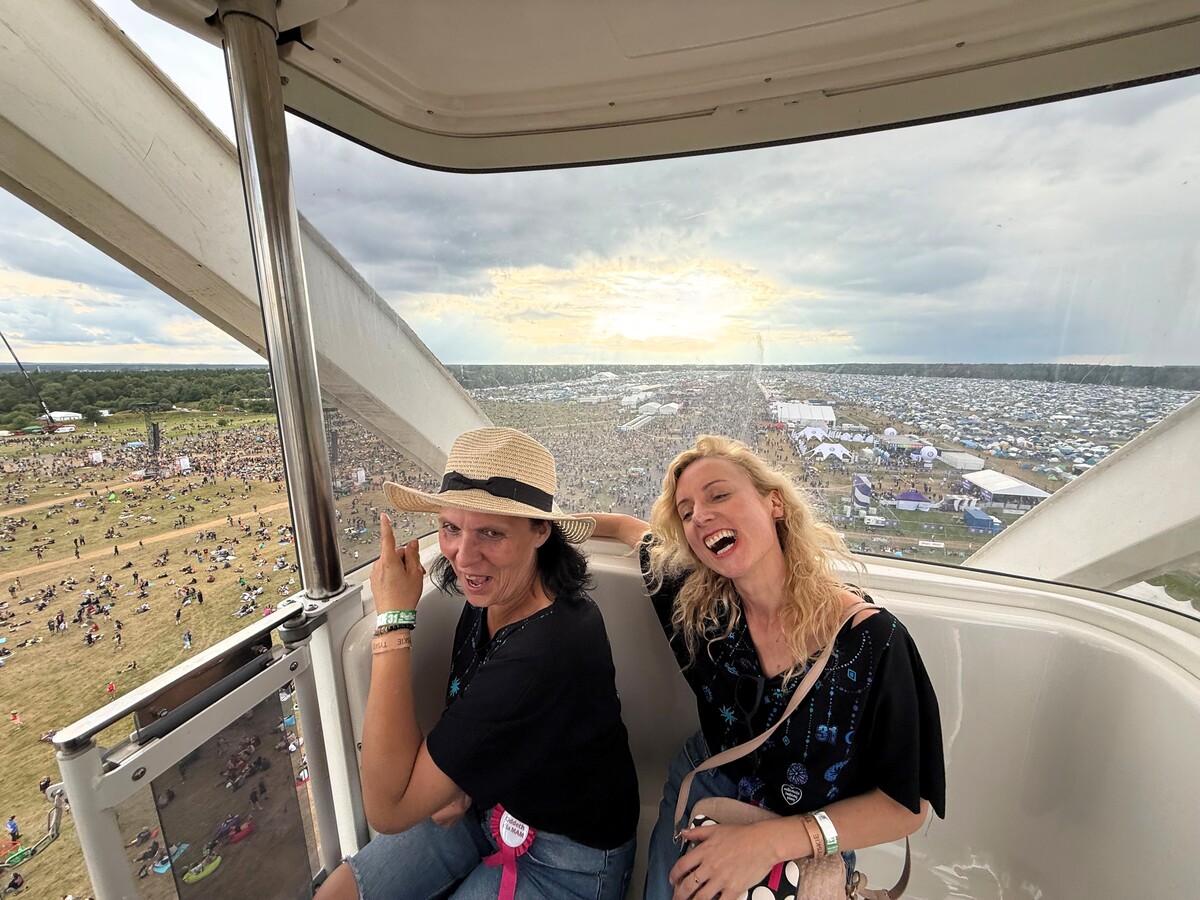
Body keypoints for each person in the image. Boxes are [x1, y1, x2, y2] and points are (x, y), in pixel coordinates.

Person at [590, 434, 945, 900]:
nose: (700, 516)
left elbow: (907, 806)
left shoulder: (870, 642)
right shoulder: (703, 609)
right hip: (703, 795)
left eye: (718, 494)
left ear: (773, 503)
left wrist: (766, 844)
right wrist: (540, 523)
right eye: (687, 511)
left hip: (808, 839)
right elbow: (630, 530)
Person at [315, 428, 638, 900]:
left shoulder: (547, 649)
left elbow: (387, 808)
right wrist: (464, 785)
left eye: (491, 532)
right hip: (487, 802)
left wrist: (394, 618)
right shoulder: (499, 594)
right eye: (450, 528)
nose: (464, 557)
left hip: (566, 858)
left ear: (541, 532)